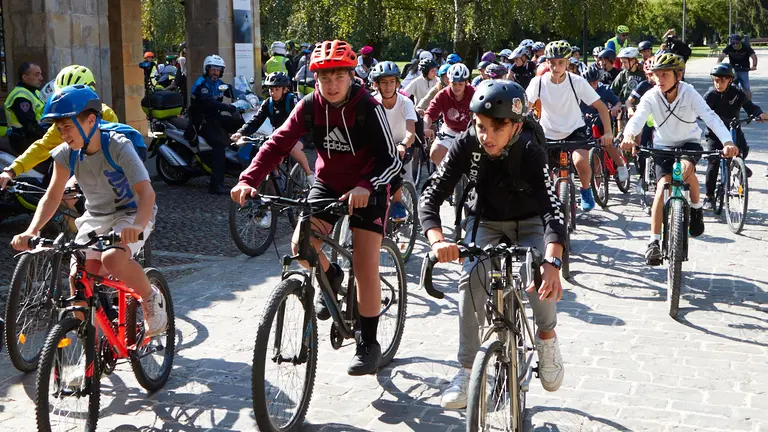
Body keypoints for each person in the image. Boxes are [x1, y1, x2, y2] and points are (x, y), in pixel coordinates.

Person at [231, 40, 402, 375]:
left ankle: (368, 343)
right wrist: (248, 178)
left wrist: (366, 186)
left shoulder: (368, 106)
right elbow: (279, 142)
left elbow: (392, 161)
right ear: (314, 79)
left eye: (339, 76)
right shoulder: (310, 105)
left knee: (365, 266)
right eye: (324, 78)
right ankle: (333, 274)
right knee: (302, 246)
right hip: (328, 184)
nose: (332, 84)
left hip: (371, 185)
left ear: (352, 75)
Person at [419, 80, 566, 409]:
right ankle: (468, 368)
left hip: (529, 221)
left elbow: (552, 210)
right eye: (481, 126)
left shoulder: (530, 148)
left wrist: (552, 262)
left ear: (515, 125)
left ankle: (546, 338)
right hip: (484, 220)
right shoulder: (467, 143)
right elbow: (430, 195)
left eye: (497, 129)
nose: (487, 136)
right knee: (471, 277)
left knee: (537, 277)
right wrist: (437, 240)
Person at [10, 85, 167, 337]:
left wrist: (137, 226)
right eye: (59, 129)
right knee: (79, 277)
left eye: (67, 127)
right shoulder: (65, 154)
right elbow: (52, 195)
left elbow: (146, 192)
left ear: (91, 120)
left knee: (112, 259)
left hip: (131, 214)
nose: (63, 135)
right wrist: (32, 230)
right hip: (95, 217)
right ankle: (89, 346)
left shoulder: (117, 146)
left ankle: (150, 297)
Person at [621, 54, 736, 265]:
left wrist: (727, 141)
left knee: (684, 169)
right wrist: (629, 135)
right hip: (662, 146)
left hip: (689, 143)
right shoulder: (651, 95)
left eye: (665, 74)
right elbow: (637, 119)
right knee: (662, 186)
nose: (660, 79)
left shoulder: (689, 93)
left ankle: (696, 208)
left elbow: (710, 117)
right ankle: (654, 242)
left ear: (679, 75)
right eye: (656, 75)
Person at [526, 41, 613, 212]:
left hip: (574, 130)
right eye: (552, 62)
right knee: (541, 171)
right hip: (548, 132)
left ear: (567, 63)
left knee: (581, 162)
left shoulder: (577, 82)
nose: (556, 67)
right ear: (546, 62)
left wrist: (608, 132)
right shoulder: (538, 82)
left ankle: (586, 190)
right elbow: (524, 110)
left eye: (561, 62)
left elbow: (602, 108)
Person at [1, 65, 120, 190]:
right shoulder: (62, 134)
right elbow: (43, 146)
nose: (64, 133)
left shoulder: (107, 116)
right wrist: (11, 170)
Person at [230, 72, 314, 185]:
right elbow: (256, 120)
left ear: (285, 89)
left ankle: (309, 175)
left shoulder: (292, 100)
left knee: (292, 148)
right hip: (280, 134)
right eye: (271, 89)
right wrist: (240, 133)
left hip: (300, 133)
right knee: (269, 157)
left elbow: (302, 120)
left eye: (277, 89)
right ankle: (276, 185)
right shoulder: (268, 103)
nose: (273, 92)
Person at [702, 63, 767, 208]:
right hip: (715, 134)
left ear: (730, 80)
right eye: (716, 80)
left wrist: (758, 114)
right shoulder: (710, 95)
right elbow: (701, 112)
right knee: (713, 163)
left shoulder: (737, 93)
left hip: (733, 130)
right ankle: (709, 196)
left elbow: (751, 107)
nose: (718, 84)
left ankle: (739, 167)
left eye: (722, 80)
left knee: (743, 150)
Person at [370, 61, 417, 222]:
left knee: (405, 177)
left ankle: (403, 205)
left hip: (402, 143)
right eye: (384, 82)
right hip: (381, 145)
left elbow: (411, 132)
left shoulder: (406, 103)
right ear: (376, 85)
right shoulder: (372, 103)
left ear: (397, 83)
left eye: (391, 82)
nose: (388, 87)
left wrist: (403, 144)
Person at [190, 54, 239, 195]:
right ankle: (216, 185)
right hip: (202, 120)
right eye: (213, 70)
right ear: (207, 70)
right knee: (219, 145)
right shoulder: (201, 84)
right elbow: (210, 102)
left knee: (238, 125)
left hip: (214, 117)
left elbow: (229, 89)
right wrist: (228, 107)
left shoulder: (219, 83)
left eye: (218, 70)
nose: (215, 73)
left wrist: (243, 95)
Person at [581, 66, 628, 182]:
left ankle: (621, 165)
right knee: (591, 150)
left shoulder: (604, 89)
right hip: (587, 123)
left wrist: (615, 109)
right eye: (589, 84)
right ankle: (597, 183)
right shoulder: (580, 91)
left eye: (594, 83)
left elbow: (617, 102)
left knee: (608, 143)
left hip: (603, 121)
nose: (592, 86)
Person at [423, 63, 474, 165]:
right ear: (449, 82)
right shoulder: (442, 95)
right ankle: (447, 174)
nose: (457, 87)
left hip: (470, 131)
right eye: (454, 84)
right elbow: (430, 113)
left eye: (460, 84)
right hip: (450, 129)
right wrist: (425, 128)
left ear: (466, 82)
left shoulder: (475, 93)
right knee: (435, 154)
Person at [3, 62, 46, 155]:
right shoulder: (20, 97)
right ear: (25, 77)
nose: (41, 78)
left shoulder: (36, 92)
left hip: (36, 138)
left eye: (40, 74)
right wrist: (50, 135)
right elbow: (30, 127)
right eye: (37, 75)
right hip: (25, 142)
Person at [717, 34, 758, 100]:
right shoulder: (729, 47)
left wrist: (754, 66)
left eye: (737, 43)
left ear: (740, 42)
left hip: (744, 69)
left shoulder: (746, 47)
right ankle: (728, 102)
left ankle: (749, 105)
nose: (735, 45)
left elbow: (753, 56)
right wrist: (718, 64)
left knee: (746, 88)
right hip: (733, 69)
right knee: (729, 86)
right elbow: (722, 55)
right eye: (733, 43)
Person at [177, 44, 188, 109]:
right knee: (184, 93)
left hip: (184, 76)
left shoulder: (182, 59)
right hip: (183, 77)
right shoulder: (182, 59)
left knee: (184, 93)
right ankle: (183, 107)